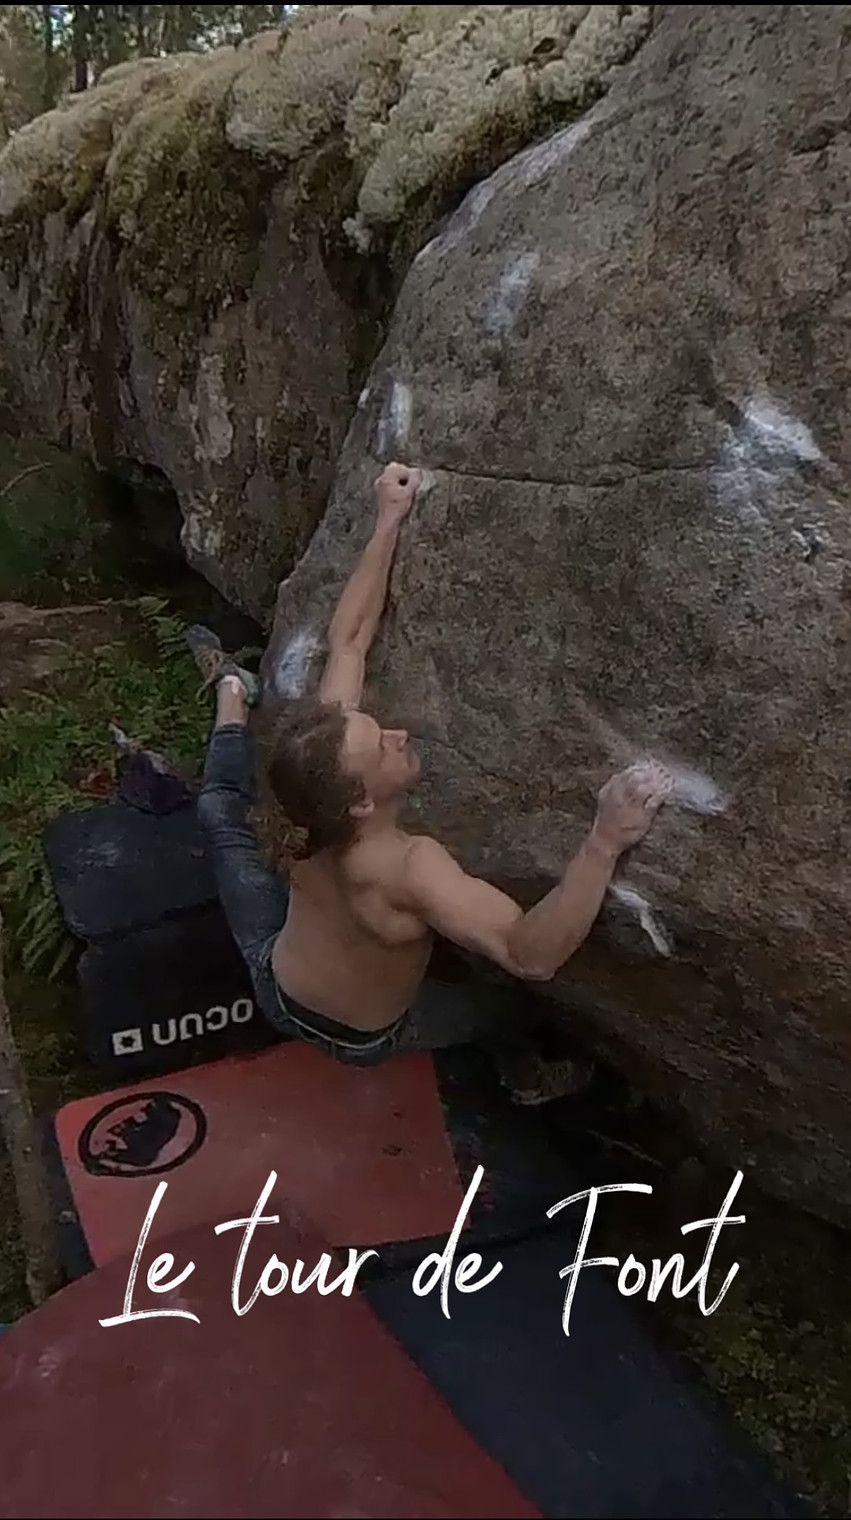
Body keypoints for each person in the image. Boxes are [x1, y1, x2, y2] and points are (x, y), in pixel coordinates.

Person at [188, 463, 673, 1102]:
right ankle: (525, 1068)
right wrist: (603, 842)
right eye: (381, 746)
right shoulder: (410, 869)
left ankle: (231, 691)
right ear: (360, 801)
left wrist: (387, 519)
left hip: (275, 980)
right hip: (362, 1035)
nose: (396, 734)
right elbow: (530, 956)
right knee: (507, 1011)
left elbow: (348, 642)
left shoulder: (307, 785)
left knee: (221, 810)